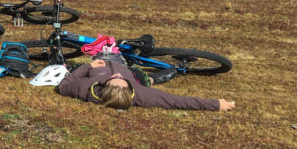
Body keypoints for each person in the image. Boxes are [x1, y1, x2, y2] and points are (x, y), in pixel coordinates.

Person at [56, 59, 235, 111]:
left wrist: (88, 66)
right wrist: (216, 104)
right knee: (145, 79)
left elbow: (62, 86)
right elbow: (176, 101)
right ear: (130, 88)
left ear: (103, 86)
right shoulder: (142, 94)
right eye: (122, 80)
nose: (117, 76)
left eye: (114, 78)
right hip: (131, 70)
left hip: (99, 62)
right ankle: (154, 79)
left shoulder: (86, 88)